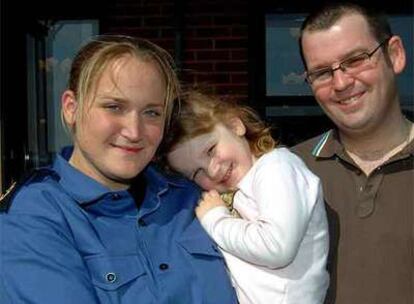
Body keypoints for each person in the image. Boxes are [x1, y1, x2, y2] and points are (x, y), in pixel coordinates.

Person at [0, 35, 237, 303]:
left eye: (151, 113)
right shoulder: (33, 218)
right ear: (71, 108)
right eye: (114, 107)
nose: (134, 132)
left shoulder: (193, 197)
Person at [292, 2, 414, 304]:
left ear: (394, 55)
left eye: (356, 60)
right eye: (321, 73)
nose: (341, 83)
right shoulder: (289, 170)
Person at [162, 90, 330, 304]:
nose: (212, 171)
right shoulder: (243, 187)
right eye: (197, 173)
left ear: (235, 126)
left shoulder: (277, 167)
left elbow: (276, 247)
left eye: (211, 150)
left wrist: (215, 220)